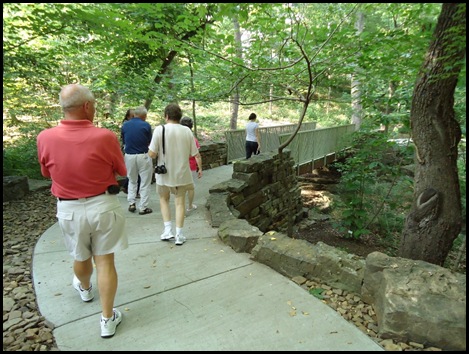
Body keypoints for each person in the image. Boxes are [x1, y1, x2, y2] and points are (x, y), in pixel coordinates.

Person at [36, 83, 128, 338]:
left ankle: (85, 288)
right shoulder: (104, 136)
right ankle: (107, 320)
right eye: (95, 105)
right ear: (87, 106)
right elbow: (122, 170)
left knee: (80, 255)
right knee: (105, 261)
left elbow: (46, 172)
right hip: (104, 206)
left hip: (69, 208)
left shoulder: (45, 137)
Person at [148, 103, 201, 245]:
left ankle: (167, 230)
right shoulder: (187, 131)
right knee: (180, 203)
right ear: (179, 116)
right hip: (181, 173)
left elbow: (152, 154)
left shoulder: (160, 130)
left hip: (164, 174)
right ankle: (179, 234)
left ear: (166, 116)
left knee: (164, 199)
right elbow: (194, 153)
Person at [121, 105, 154, 215]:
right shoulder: (146, 125)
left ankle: (131, 203)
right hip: (143, 155)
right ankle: (143, 207)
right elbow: (150, 141)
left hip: (129, 156)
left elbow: (124, 140)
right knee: (145, 182)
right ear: (144, 116)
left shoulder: (125, 125)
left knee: (132, 180)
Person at [180, 116, 203, 213]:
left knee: (181, 188)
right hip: (191, 166)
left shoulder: (176, 138)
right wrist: (200, 169)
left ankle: (181, 208)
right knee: (190, 187)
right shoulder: (193, 139)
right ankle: (189, 206)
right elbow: (197, 156)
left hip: (179, 166)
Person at [120, 108, 141, 196]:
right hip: (130, 151)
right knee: (135, 173)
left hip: (134, 151)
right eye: (132, 116)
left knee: (133, 173)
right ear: (128, 117)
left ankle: (126, 187)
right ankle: (133, 191)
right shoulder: (126, 125)